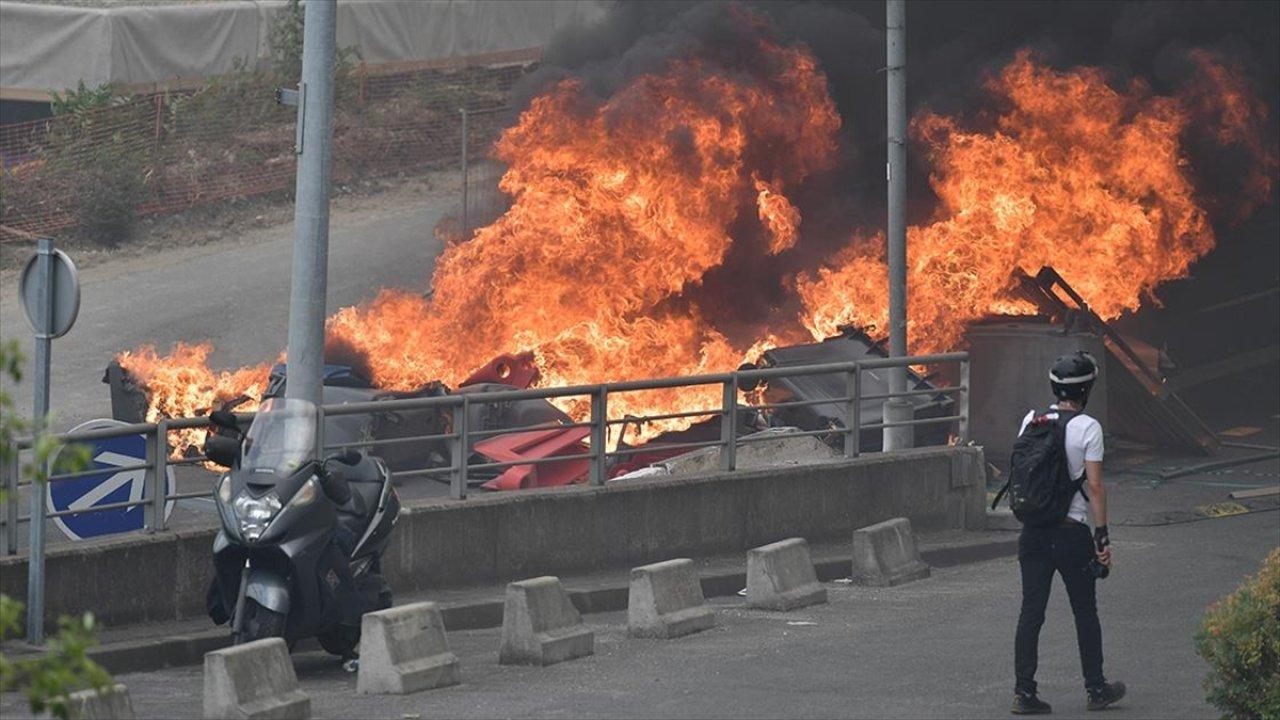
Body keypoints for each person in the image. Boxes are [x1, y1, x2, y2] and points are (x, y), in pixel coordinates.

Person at [1011, 351, 1126, 715]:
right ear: (1087, 389)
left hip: (1032, 532)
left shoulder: (1032, 419)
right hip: (1070, 533)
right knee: (1084, 611)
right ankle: (1096, 689)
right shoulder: (1088, 427)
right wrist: (1102, 537)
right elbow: (1095, 488)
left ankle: (1023, 693)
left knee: (1031, 612)